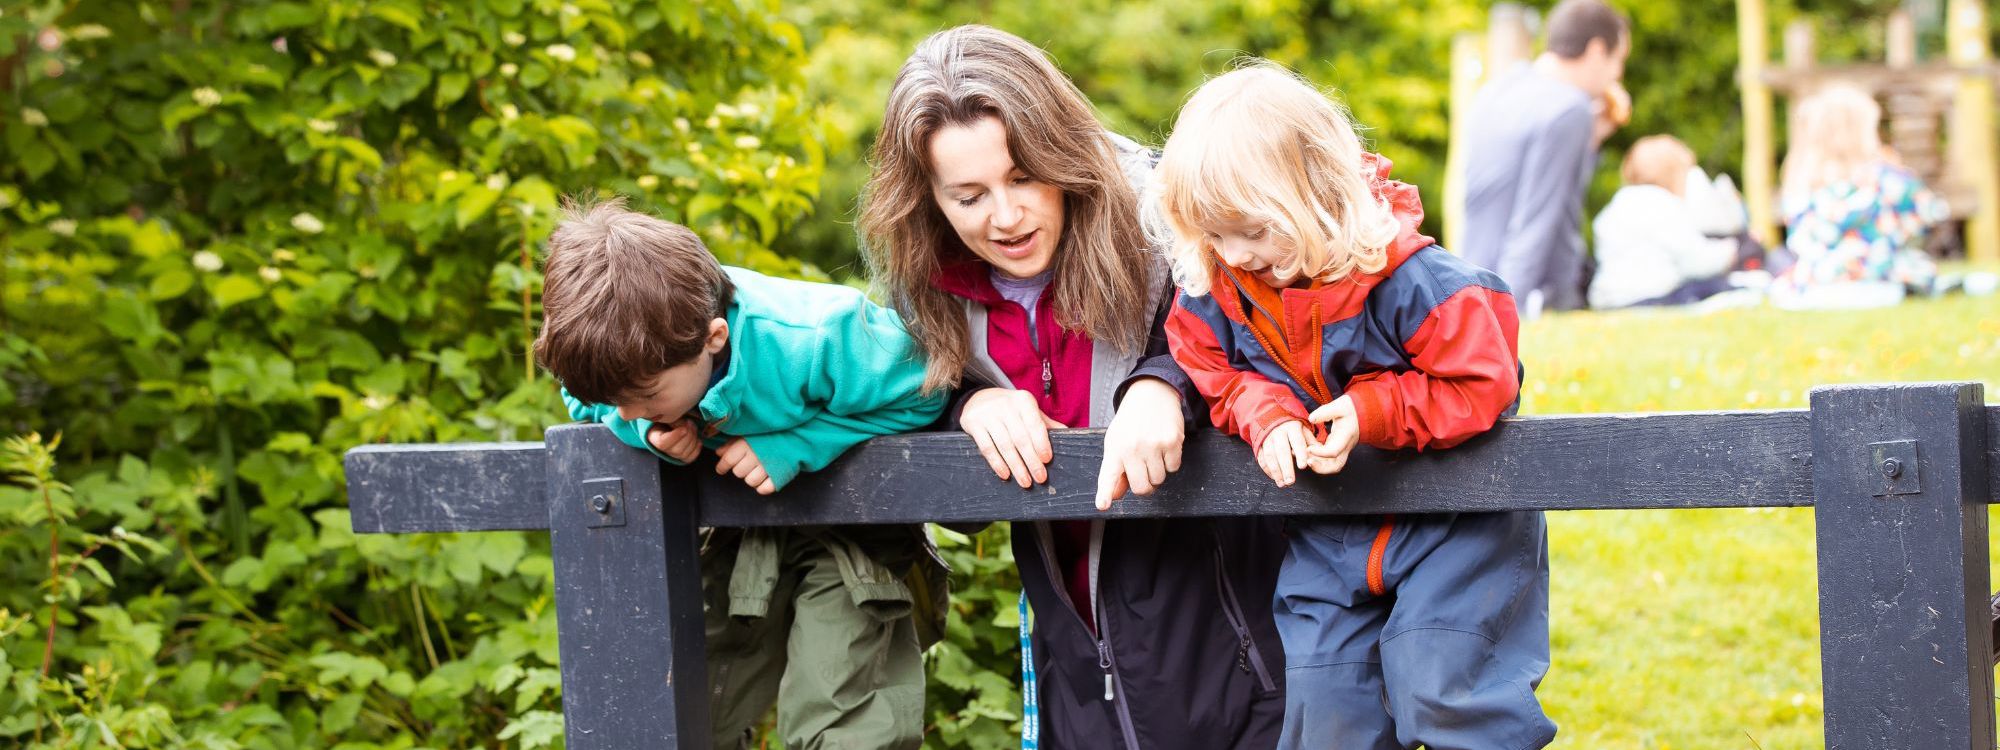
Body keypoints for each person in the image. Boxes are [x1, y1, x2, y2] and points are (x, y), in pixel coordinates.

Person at [858, 24, 1284, 750]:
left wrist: (1163, 383)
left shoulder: (1167, 217)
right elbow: (897, 406)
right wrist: (966, 404)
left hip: (1237, 644)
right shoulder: (924, 287)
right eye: (968, 196)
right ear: (927, 198)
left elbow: (1267, 328)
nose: (1005, 217)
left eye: (1023, 177)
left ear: (1062, 153)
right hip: (1074, 660)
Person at [1152, 65, 1554, 750]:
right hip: (1330, 532)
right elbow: (1211, 373)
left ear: (1314, 194)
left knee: (1444, 692)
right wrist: (1269, 417)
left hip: (1451, 527)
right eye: (1215, 237)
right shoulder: (1221, 290)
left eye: (1251, 230)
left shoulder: (1415, 281)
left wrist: (1371, 411)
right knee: (1327, 713)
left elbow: (1485, 382)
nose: (1236, 255)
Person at [532, 198, 947, 749]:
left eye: (645, 397)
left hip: (853, 536)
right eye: (615, 398)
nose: (624, 409)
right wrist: (646, 432)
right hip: (735, 535)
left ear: (714, 340)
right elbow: (588, 404)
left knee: (840, 719)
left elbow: (928, 393)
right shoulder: (622, 364)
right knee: (690, 707)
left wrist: (795, 444)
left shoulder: (819, 336)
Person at [1461, 0, 1630, 316]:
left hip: (1472, 279)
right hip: (1528, 297)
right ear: (1596, 51)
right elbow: (1538, 222)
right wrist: (1508, 314)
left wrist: (1589, 142)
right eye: (1618, 59)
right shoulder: (1570, 108)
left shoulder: (1497, 91)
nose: (1617, 73)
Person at [1773, 84, 1947, 309]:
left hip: (1814, 286)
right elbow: (1931, 213)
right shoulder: (1885, 177)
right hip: (1879, 283)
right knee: (1917, 265)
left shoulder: (1800, 181)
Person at [1588, 135, 1744, 308]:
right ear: (1675, 175)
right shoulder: (1664, 205)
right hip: (1649, 296)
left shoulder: (1617, 205)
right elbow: (1695, 261)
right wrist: (1729, 252)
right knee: (1718, 287)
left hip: (1608, 298)